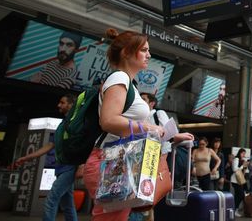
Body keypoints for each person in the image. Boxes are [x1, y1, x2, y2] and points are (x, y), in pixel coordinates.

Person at [83, 29, 165, 221]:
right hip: (110, 162)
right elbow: (109, 120)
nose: (149, 55)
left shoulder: (129, 83)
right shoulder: (119, 78)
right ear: (126, 52)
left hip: (117, 161)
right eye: (144, 50)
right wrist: (151, 128)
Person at [15, 94, 79, 221]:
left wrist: (82, 166)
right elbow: (51, 145)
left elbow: (84, 144)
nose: (58, 105)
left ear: (71, 105)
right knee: (67, 204)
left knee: (51, 200)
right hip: (61, 168)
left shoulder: (76, 123)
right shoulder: (63, 124)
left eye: (62, 102)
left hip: (69, 168)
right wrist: (27, 157)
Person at [231, 148, 249, 217]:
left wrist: (245, 167)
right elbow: (234, 169)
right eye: (242, 153)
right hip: (235, 180)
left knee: (238, 195)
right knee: (240, 194)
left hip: (240, 180)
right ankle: (235, 209)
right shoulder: (236, 159)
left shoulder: (242, 160)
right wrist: (242, 166)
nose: (243, 155)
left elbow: (244, 172)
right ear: (239, 153)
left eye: (244, 154)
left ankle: (235, 210)